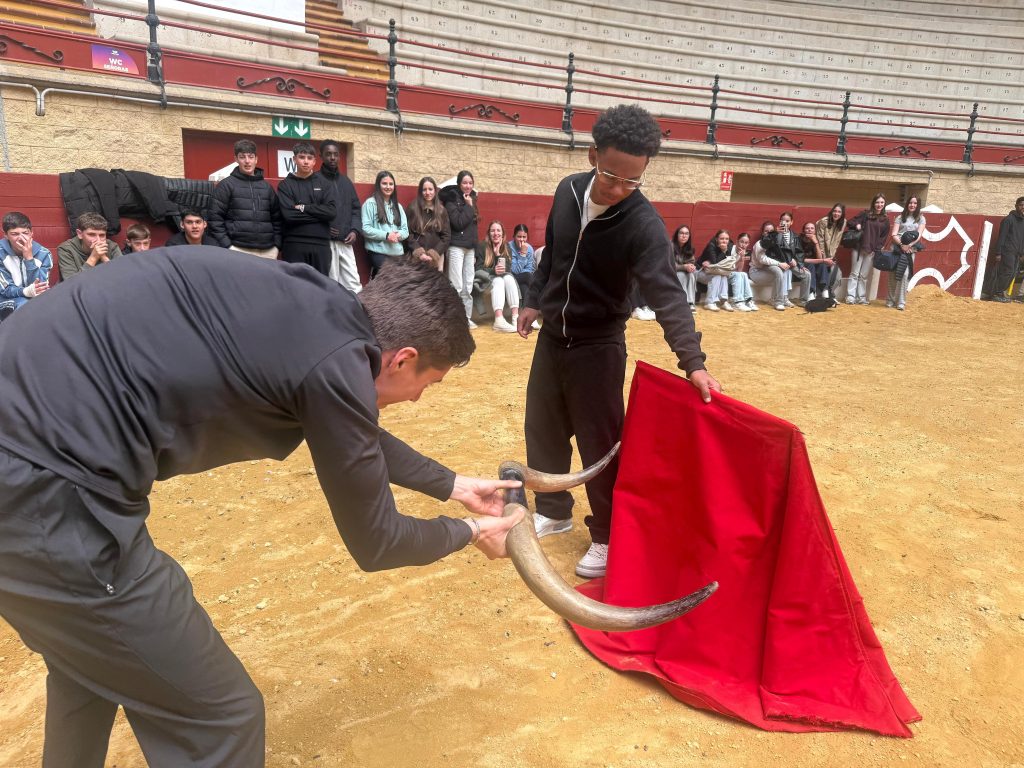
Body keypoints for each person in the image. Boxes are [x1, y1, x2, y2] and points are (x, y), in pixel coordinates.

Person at [0, 252, 524, 767]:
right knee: (221, 719)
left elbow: (349, 429)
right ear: (403, 359)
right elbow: (378, 542)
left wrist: (454, 486)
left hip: (25, 437)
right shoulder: (334, 365)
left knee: (95, 659)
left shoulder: (316, 312)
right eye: (427, 385)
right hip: (43, 492)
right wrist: (473, 530)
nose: (416, 401)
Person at [517, 104, 720, 579]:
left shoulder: (643, 225)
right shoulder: (568, 190)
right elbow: (553, 256)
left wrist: (693, 362)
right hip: (553, 337)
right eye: (611, 176)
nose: (618, 190)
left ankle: (607, 535)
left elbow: (668, 296)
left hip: (599, 345)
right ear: (593, 156)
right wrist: (533, 300)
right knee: (542, 429)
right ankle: (553, 510)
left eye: (632, 181)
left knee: (601, 445)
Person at [208, 138, 282, 260]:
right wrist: (228, 246)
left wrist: (276, 246)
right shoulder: (226, 185)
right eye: (242, 157)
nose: (247, 161)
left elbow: (277, 219)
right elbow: (214, 219)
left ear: (256, 159)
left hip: (268, 251)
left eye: (251, 157)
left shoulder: (267, 187)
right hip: (238, 249)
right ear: (236, 159)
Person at [277, 142, 337, 276]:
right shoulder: (285, 185)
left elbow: (331, 212)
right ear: (294, 159)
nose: (306, 161)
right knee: (296, 285)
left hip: (321, 244)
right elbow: (289, 215)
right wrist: (319, 216)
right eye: (302, 157)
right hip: (294, 244)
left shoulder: (324, 184)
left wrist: (305, 207)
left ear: (314, 161)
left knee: (320, 285)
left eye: (309, 158)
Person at [319, 139, 364, 292]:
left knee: (354, 285)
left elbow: (356, 209)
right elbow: (312, 212)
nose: (332, 158)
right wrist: (324, 229)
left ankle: (354, 309)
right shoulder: (315, 180)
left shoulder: (346, 182)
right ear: (321, 156)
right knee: (330, 285)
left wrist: (354, 231)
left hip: (346, 242)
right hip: (326, 243)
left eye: (335, 154)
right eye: (328, 154)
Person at [443, 170, 480, 328]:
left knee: (468, 286)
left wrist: (476, 251)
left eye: (470, 183)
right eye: (465, 183)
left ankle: (466, 318)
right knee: (456, 285)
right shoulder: (450, 201)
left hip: (470, 249)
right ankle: (454, 319)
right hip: (456, 247)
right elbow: (458, 223)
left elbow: (474, 229)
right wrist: (469, 207)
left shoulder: (472, 199)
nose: (468, 186)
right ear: (459, 184)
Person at [0, 211, 51, 321]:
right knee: (25, 306)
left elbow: (40, 288)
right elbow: (5, 289)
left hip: (35, 301)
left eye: (25, 233)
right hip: (5, 301)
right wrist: (25, 291)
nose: (21, 238)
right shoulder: (1, 253)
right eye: (15, 234)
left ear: (31, 233)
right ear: (6, 235)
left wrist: (29, 258)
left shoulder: (43, 254)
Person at [361, 170, 409, 276]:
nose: (388, 187)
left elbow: (405, 230)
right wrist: (387, 235)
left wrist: (397, 235)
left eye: (391, 184)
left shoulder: (398, 206)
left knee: (401, 281)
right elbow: (365, 229)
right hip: (379, 252)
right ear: (378, 185)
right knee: (389, 278)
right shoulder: (370, 204)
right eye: (384, 183)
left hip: (397, 253)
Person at [847, 194, 890, 305]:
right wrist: (857, 224)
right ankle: (851, 296)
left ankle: (861, 297)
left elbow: (883, 238)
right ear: (873, 203)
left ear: (884, 204)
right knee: (854, 273)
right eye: (877, 202)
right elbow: (850, 222)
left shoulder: (885, 220)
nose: (879, 205)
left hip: (871, 251)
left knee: (864, 275)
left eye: (882, 202)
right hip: (858, 248)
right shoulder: (865, 214)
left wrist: (876, 250)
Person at [477, 220, 519, 332]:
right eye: (493, 231)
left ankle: (516, 318)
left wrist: (497, 255)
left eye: (498, 230)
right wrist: (493, 271)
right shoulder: (482, 246)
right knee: (499, 280)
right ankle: (499, 320)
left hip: (500, 279)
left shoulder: (506, 247)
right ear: (489, 233)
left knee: (509, 278)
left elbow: (507, 269)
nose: (496, 233)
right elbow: (477, 269)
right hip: (485, 281)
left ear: (503, 233)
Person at [886, 196, 926, 311]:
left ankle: (901, 302)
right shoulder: (900, 217)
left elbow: (919, 235)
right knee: (893, 273)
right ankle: (890, 300)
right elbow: (894, 234)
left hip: (910, 249)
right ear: (907, 204)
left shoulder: (921, 218)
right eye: (910, 203)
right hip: (897, 248)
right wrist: (901, 245)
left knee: (905, 275)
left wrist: (909, 245)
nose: (912, 205)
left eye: (915, 203)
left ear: (918, 205)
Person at [758, 212, 804, 310]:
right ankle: (779, 300)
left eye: (787, 221)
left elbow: (799, 251)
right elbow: (765, 246)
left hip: (789, 262)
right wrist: (775, 233)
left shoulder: (794, 236)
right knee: (783, 271)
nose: (785, 223)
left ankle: (799, 299)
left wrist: (797, 261)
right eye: (783, 220)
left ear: (791, 222)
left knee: (806, 274)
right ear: (779, 222)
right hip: (776, 262)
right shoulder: (775, 234)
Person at [981, 196, 1024, 303]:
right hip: (1007, 252)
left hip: (1017, 254)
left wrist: (1022, 253)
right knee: (1006, 273)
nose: (1023, 207)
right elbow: (1001, 237)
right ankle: (997, 293)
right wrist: (998, 253)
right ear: (1016, 206)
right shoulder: (1008, 219)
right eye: (1021, 205)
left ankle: (996, 293)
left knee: (1012, 274)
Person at [57, 212, 124, 280]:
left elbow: (123, 277)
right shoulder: (66, 249)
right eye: (91, 234)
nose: (98, 240)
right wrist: (93, 257)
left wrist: (104, 258)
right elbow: (71, 283)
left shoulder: (112, 247)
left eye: (102, 235)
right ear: (80, 234)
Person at [405, 176, 450, 272]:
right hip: (416, 258)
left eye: (430, 189)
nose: (427, 192)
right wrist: (419, 252)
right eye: (424, 189)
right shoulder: (412, 208)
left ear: (435, 191)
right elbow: (407, 233)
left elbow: (446, 236)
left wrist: (434, 254)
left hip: (436, 257)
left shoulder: (442, 211)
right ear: (420, 191)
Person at [798, 220, 842, 303]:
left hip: (814, 263)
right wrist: (823, 260)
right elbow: (802, 260)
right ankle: (811, 292)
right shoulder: (798, 240)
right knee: (812, 265)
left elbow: (819, 258)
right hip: (802, 264)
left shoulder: (815, 240)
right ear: (803, 231)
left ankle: (824, 291)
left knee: (823, 265)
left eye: (812, 228)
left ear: (815, 231)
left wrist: (816, 243)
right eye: (807, 228)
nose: (810, 230)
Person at [696, 230, 737, 312]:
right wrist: (723, 251)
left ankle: (724, 301)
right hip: (700, 271)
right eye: (722, 238)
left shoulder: (729, 246)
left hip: (713, 271)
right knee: (717, 276)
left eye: (727, 239)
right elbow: (715, 263)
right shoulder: (711, 246)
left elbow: (728, 263)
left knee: (722, 275)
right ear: (716, 239)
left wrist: (725, 251)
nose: (724, 241)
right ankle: (710, 302)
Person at [813, 203, 847, 299]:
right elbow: (820, 240)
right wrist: (824, 258)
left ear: (842, 214)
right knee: (825, 270)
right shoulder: (823, 222)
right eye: (834, 211)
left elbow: (837, 240)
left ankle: (830, 293)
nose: (836, 213)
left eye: (839, 212)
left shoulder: (843, 222)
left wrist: (831, 257)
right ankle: (822, 294)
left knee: (837, 274)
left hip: (831, 255)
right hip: (820, 254)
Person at [728, 232, 758, 311]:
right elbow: (729, 268)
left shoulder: (743, 253)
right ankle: (737, 302)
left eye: (746, 243)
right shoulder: (730, 249)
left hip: (732, 275)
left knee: (744, 274)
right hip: (724, 274)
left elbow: (739, 270)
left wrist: (742, 258)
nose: (743, 245)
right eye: (741, 242)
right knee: (738, 275)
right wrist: (740, 259)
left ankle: (748, 300)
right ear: (737, 241)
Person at [671, 224, 697, 312]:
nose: (684, 236)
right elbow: (669, 265)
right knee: (681, 274)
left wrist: (691, 266)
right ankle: (682, 302)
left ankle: (690, 302)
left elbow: (691, 261)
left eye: (686, 233)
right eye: (681, 233)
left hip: (682, 271)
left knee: (692, 275)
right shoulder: (670, 246)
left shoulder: (690, 248)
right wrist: (684, 267)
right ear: (677, 235)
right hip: (669, 272)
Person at [508, 223, 535, 306]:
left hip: (524, 278)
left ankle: (524, 312)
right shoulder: (509, 247)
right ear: (514, 237)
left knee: (525, 288)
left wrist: (523, 274)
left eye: (524, 237)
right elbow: (515, 271)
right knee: (528, 276)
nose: (522, 240)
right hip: (511, 277)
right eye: (519, 237)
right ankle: (539, 296)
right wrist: (523, 254)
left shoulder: (529, 249)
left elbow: (530, 269)